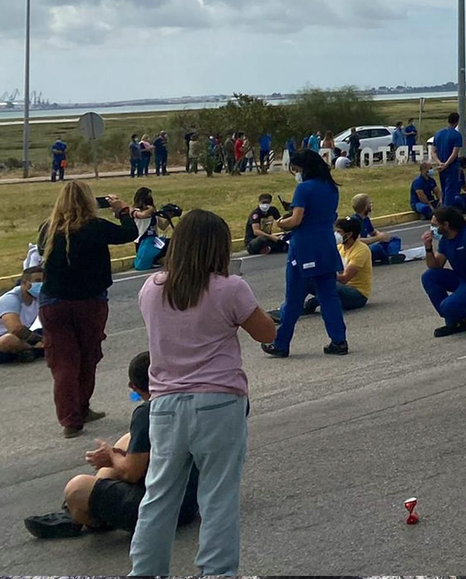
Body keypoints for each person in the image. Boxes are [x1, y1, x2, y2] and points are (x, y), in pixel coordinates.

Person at [129, 209, 277, 576]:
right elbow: (266, 333)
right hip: (218, 400)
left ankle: (145, 571)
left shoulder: (152, 288)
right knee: (218, 497)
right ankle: (216, 571)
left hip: (163, 404)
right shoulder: (229, 288)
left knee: (159, 497)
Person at [23, 351, 200, 542]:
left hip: (164, 509)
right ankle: (78, 509)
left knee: (76, 488)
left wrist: (111, 456)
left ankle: (84, 515)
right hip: (189, 500)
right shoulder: (190, 398)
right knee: (127, 440)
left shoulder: (147, 412)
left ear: (133, 387)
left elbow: (131, 472)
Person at [36, 181, 138, 436]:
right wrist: (121, 210)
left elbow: (40, 252)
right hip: (89, 301)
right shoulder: (96, 227)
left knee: (63, 361)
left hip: (54, 302)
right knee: (88, 355)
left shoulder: (48, 229)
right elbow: (129, 233)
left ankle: (71, 418)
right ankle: (81, 406)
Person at [261, 150, 348, 358]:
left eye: (297, 170)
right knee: (328, 296)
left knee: (293, 299)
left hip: (304, 247)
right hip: (326, 245)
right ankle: (339, 340)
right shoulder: (331, 187)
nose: (296, 174)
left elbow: (296, 220)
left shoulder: (304, 188)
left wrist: (282, 223)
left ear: (304, 168)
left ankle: (281, 343)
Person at [423, 207, 466, 337]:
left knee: (447, 306)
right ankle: (456, 322)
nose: (432, 229)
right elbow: (435, 265)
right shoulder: (445, 241)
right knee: (429, 276)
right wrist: (428, 248)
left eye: (435, 225)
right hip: (462, 279)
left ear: (446, 225)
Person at [0, 266, 45, 363]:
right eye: (37, 280)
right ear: (24, 283)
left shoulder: (38, 297)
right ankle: (38, 350)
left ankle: (32, 351)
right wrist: (40, 341)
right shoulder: (11, 299)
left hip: (23, 336)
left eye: (44, 280)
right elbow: (16, 329)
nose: (41, 284)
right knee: (8, 340)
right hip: (3, 337)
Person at [434, 112, 465, 208]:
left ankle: (443, 208)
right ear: (457, 122)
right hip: (451, 166)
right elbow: (454, 153)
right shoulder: (456, 135)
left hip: (441, 165)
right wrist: (446, 164)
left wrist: (439, 163)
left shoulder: (438, 134)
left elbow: (433, 152)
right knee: (450, 191)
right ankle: (446, 211)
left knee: (444, 189)